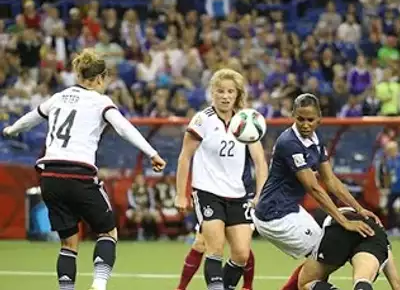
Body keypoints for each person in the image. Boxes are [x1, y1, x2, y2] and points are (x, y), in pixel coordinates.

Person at [2, 49, 166, 290]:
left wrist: (11, 130)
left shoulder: (59, 97)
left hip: (50, 177)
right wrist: (152, 152)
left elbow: (32, 118)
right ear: (101, 78)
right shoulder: (100, 101)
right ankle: (99, 285)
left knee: (68, 244)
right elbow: (123, 127)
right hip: (79, 175)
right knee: (108, 232)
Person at [252, 93, 380, 268]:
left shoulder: (315, 139)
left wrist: (359, 209)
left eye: (310, 120)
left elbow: (330, 180)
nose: (305, 124)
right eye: (300, 119)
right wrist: (344, 222)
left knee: (321, 255)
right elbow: (314, 188)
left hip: (290, 209)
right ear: (293, 116)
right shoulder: (289, 143)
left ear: (319, 119)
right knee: (324, 255)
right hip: (273, 215)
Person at [174, 68, 267, 290]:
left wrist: (260, 195)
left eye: (230, 92)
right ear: (212, 93)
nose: (225, 96)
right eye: (220, 91)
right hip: (207, 192)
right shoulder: (201, 120)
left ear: (237, 94)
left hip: (237, 194)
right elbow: (185, 157)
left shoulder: (246, 121)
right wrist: (181, 194)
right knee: (213, 247)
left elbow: (260, 162)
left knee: (242, 254)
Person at [283, 207, 400, 290]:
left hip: (339, 225)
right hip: (372, 232)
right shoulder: (383, 241)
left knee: (306, 283)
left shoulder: (316, 222)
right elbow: (398, 286)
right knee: (363, 280)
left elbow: (305, 271)